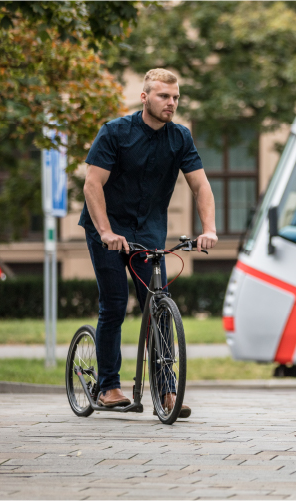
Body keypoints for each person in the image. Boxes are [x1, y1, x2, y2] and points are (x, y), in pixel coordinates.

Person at [80, 68, 218, 416]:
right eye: (163, 96)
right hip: (107, 230)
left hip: (149, 233)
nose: (171, 103)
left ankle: (167, 392)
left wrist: (209, 228)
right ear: (145, 97)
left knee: (159, 306)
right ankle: (108, 386)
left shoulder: (180, 138)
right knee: (114, 304)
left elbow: (200, 186)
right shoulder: (115, 132)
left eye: (175, 98)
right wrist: (107, 231)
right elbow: (92, 185)